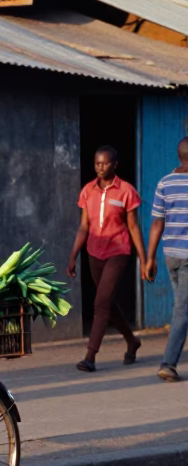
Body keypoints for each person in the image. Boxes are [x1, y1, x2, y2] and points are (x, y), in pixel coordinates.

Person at [67, 145, 146, 373]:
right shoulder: (87, 191)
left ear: (115, 164)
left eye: (105, 163)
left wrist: (144, 260)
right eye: (97, 163)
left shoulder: (126, 191)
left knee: (101, 303)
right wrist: (73, 255)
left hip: (118, 252)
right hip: (94, 253)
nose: (100, 167)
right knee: (107, 303)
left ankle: (90, 356)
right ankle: (132, 341)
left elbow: (133, 226)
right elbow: (84, 226)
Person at [145, 137, 188, 382]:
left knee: (183, 306)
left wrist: (150, 258)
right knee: (182, 310)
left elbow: (157, 223)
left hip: (171, 256)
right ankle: (168, 364)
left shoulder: (165, 182)